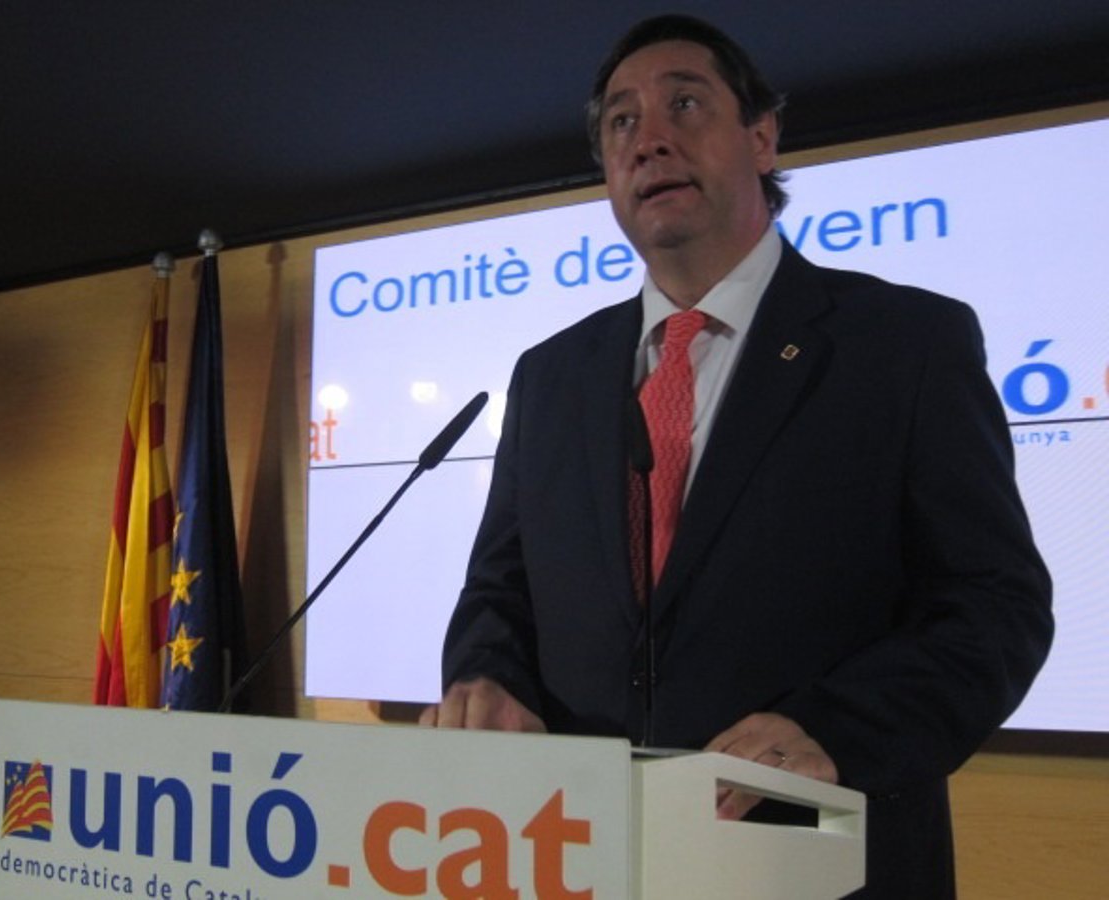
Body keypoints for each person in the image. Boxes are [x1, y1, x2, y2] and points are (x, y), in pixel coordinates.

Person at [421, 14, 1053, 898]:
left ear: (762, 138)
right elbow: (500, 588)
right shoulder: (551, 376)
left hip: (813, 860)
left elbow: (994, 607)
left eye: (684, 104)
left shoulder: (903, 344)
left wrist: (837, 729)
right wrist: (485, 675)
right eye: (621, 121)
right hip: (578, 856)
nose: (649, 140)